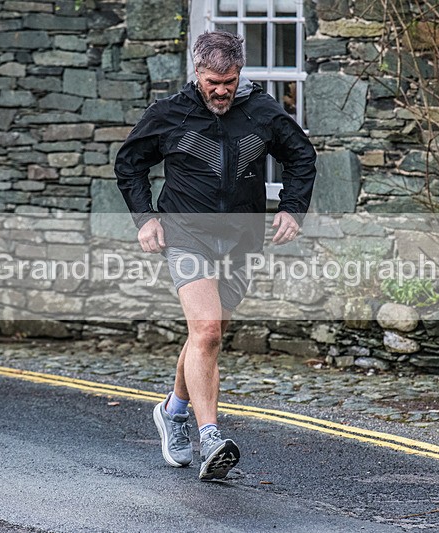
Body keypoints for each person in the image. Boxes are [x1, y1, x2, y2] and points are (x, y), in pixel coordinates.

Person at [115, 30, 316, 480]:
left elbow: (301, 156)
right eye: (212, 81)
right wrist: (145, 219)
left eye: (229, 81)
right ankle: (210, 438)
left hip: (243, 241)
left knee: (206, 335)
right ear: (197, 72)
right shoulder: (170, 115)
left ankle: (173, 410)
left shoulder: (262, 112)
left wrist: (293, 209)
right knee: (205, 329)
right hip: (187, 235)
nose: (221, 90)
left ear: (239, 73)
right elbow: (130, 164)